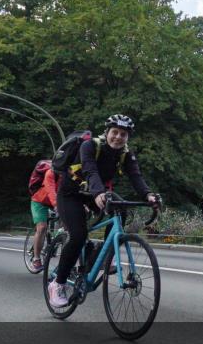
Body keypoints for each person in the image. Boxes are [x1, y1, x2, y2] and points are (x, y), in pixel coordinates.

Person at [48, 114, 160, 308]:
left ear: (127, 137)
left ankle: (107, 257)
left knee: (121, 208)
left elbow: (136, 177)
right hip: (71, 194)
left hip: (95, 193)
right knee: (78, 235)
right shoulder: (89, 146)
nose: (118, 137)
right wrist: (99, 192)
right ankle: (58, 283)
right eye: (114, 132)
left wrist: (149, 195)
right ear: (107, 132)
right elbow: (90, 170)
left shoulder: (126, 154)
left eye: (123, 134)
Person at [28, 162, 58, 273]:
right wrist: (56, 205)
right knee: (42, 227)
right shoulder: (51, 171)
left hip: (55, 201)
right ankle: (36, 259)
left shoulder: (71, 174)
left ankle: (56, 240)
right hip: (39, 201)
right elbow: (50, 190)